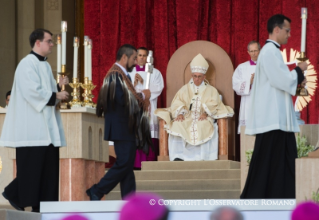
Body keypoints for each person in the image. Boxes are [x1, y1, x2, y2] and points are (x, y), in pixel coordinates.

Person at [0, 28, 69, 212]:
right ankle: (15, 195)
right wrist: (57, 95)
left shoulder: (45, 65)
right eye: (49, 41)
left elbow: (46, 91)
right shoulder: (26, 64)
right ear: (38, 43)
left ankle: (44, 207)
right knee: (32, 170)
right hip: (31, 129)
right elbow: (32, 92)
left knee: (48, 171)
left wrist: (58, 88)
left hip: (46, 130)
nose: (52, 44)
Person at [241, 14, 308, 198]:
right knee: (270, 164)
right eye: (287, 31)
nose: (289, 35)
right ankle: (258, 199)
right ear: (277, 29)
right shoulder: (270, 51)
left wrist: (295, 76)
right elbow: (282, 80)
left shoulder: (272, 51)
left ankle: (281, 197)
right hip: (273, 120)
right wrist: (299, 70)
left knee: (279, 163)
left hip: (277, 120)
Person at [86, 44, 152, 200]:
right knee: (124, 163)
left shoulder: (121, 74)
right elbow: (121, 100)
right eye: (134, 58)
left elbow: (126, 97)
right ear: (124, 57)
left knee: (127, 166)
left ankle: (129, 200)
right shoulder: (115, 75)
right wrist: (142, 96)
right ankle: (97, 190)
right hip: (121, 126)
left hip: (124, 126)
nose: (136, 62)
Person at [155, 54, 234, 161]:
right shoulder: (184, 89)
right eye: (194, 76)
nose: (196, 79)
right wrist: (180, 113)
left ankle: (202, 157)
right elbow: (177, 102)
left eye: (199, 76)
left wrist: (205, 113)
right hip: (188, 116)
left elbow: (215, 103)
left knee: (202, 125)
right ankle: (179, 157)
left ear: (204, 77)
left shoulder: (211, 90)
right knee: (178, 124)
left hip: (204, 117)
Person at [129, 47, 164, 168]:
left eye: (144, 55)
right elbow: (125, 90)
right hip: (134, 110)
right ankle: (135, 164)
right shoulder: (130, 72)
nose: (142, 58)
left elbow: (158, 88)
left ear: (148, 57)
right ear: (135, 57)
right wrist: (134, 84)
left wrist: (143, 82)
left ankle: (149, 165)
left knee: (149, 134)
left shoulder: (155, 72)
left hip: (149, 109)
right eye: (139, 55)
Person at [232, 41, 260, 133]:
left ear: (260, 51)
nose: (253, 53)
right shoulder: (242, 67)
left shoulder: (266, 66)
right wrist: (249, 83)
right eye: (251, 51)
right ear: (248, 52)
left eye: (255, 50)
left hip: (263, 101)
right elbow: (235, 85)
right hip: (248, 102)